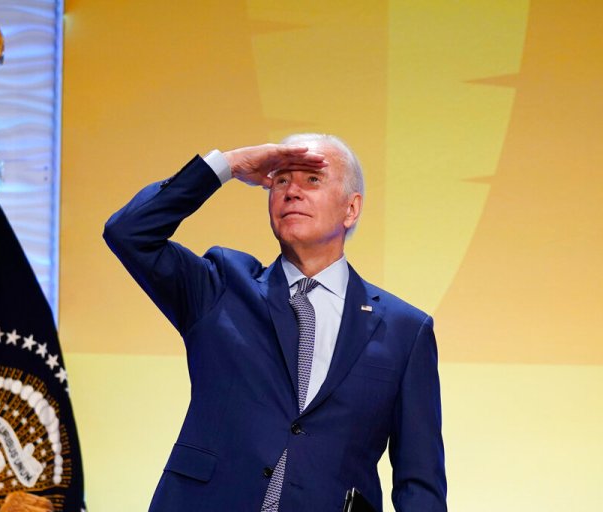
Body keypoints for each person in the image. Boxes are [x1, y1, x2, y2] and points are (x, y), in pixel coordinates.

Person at [103, 134, 446, 511]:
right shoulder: (221, 285)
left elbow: (420, 483)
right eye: (281, 180)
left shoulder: (405, 331)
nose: (292, 192)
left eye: (312, 180)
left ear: (351, 209)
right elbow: (129, 232)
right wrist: (228, 165)